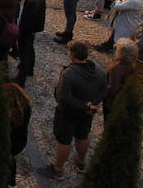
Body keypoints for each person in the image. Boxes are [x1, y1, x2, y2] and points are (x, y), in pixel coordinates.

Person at [41, 40, 107, 180]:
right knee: (82, 136)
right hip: (86, 113)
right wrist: (92, 105)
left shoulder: (69, 74)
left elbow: (63, 98)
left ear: (72, 54)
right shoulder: (99, 71)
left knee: (64, 141)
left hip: (68, 113)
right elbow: (104, 90)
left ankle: (58, 169)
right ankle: (81, 162)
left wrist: (85, 106)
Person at [15, 0, 46, 86]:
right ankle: (29, 69)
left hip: (26, 30)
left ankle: (20, 79)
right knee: (30, 49)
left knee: (24, 53)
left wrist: (20, 30)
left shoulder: (31, 1)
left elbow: (25, 18)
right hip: (33, 29)